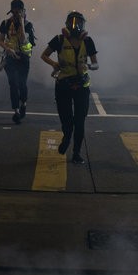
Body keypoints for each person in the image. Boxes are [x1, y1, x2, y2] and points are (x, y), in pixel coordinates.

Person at [40, 11, 99, 164]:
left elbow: (96, 64)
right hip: (63, 85)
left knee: (80, 121)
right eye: (73, 22)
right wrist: (55, 64)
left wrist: (87, 66)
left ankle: (76, 152)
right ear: (67, 24)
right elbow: (44, 55)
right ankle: (66, 137)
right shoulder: (59, 40)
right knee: (66, 120)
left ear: (83, 24)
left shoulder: (88, 41)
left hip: (82, 85)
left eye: (79, 22)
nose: (76, 26)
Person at [0, 0, 36, 124]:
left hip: (23, 57)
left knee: (22, 83)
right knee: (13, 84)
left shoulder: (28, 25)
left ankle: (23, 103)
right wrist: (8, 49)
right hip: (10, 57)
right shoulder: (5, 23)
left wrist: (20, 22)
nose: (15, 15)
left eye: (18, 12)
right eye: (14, 12)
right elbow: (1, 41)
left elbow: (25, 40)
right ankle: (16, 111)